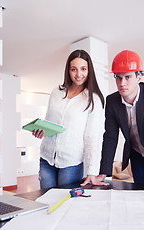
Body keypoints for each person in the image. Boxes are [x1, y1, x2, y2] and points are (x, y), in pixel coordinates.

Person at [82, 50, 144, 186]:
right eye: (118, 77)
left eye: (128, 77)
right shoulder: (112, 101)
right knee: (140, 194)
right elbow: (110, 137)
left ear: (139, 77)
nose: (122, 83)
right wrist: (103, 173)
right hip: (136, 155)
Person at [32, 49, 105, 189]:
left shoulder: (93, 99)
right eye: (74, 69)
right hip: (47, 158)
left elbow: (93, 137)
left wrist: (92, 172)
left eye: (83, 69)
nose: (79, 74)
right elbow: (49, 122)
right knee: (46, 201)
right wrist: (41, 130)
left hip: (71, 163)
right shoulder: (56, 92)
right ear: (68, 70)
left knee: (66, 204)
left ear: (89, 70)